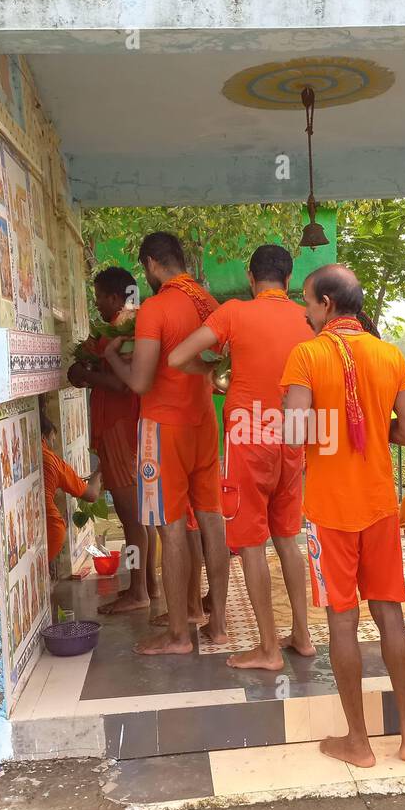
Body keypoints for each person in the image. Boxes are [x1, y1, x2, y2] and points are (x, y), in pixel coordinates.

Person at [281, 264, 405, 767]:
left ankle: (358, 743)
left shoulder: (307, 355)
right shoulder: (389, 354)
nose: (305, 313)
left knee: (341, 622)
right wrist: (370, 425)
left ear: (326, 304)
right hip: (379, 507)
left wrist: (328, 422)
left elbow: (294, 431)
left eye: (307, 303)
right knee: (389, 613)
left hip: (329, 512)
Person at [169, 244, 316, 671]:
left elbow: (178, 356)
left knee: (252, 543)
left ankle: (269, 649)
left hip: (248, 437)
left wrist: (212, 372)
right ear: (289, 281)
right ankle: (302, 635)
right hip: (293, 433)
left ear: (252, 278)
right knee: (288, 537)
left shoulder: (234, 312)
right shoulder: (307, 318)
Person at [102, 232, 230, 653]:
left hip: (162, 427)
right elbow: (216, 372)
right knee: (211, 521)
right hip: (203, 425)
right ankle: (217, 625)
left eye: (145, 269)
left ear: (153, 263)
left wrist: (112, 360)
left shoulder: (156, 307)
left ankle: (178, 635)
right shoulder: (210, 304)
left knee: (170, 527)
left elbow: (140, 382)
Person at [67, 266, 157, 613]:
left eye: (100, 297)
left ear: (116, 297)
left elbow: (121, 382)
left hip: (121, 429)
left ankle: (138, 590)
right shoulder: (123, 326)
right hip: (119, 428)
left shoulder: (125, 327)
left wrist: (88, 374)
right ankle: (146, 585)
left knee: (131, 518)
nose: (98, 304)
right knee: (138, 518)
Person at [39, 396, 101, 566]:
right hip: (51, 530)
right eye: (52, 440)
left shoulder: (33, 456)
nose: (53, 445)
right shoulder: (52, 461)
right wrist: (99, 471)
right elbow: (92, 494)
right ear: (44, 437)